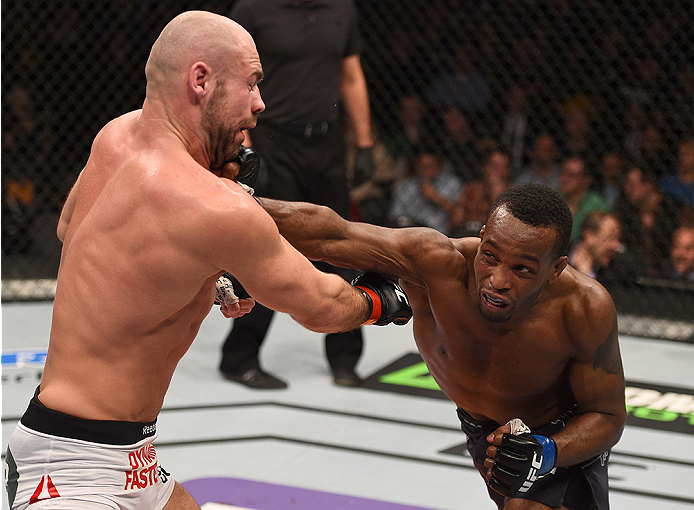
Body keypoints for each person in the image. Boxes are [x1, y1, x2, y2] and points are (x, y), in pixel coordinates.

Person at [3, 12, 412, 510]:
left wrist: (197, 274)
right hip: (70, 473)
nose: (261, 103)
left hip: (129, 455)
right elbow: (323, 305)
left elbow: (72, 228)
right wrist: (385, 299)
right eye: (253, 83)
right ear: (201, 80)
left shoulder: (115, 136)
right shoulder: (215, 205)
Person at [258, 183, 626, 509]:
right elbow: (331, 234)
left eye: (523, 269)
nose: (498, 280)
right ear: (482, 237)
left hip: (558, 431)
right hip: (481, 429)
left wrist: (547, 451)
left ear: (557, 268)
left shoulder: (584, 308)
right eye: (491, 256)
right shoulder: (436, 262)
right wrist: (233, 202)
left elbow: (608, 416)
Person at [219, 0, 377, 389]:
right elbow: (233, 78)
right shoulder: (253, 10)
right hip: (272, 136)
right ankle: (239, 357)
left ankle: (344, 357)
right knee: (268, 247)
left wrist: (365, 141)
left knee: (342, 242)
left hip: (326, 139)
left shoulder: (341, 8)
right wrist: (245, 146)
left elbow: (350, 74)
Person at [387, 144, 463, 235]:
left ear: (439, 166)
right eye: (422, 166)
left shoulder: (452, 184)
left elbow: (460, 215)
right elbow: (395, 216)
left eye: (430, 166)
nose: (426, 170)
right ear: (416, 167)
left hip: (441, 235)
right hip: (410, 234)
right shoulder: (406, 187)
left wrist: (436, 197)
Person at [449, 150, 511, 238]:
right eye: (494, 166)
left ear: (507, 170)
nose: (497, 171)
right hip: (466, 234)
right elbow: (456, 219)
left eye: (502, 166)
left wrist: (495, 190)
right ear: (485, 167)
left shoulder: (512, 193)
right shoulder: (471, 188)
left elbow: (504, 223)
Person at [558, 156, 610, 244]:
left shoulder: (596, 204)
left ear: (586, 180)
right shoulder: (552, 197)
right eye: (563, 173)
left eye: (571, 175)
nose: (565, 179)